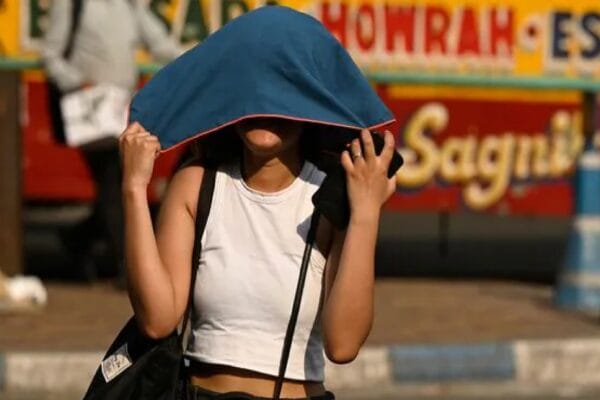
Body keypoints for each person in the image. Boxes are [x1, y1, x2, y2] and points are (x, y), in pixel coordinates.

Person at [120, 6, 398, 400]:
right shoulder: (196, 186)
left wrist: (366, 214)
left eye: (285, 91)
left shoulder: (334, 198)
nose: (266, 109)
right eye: (252, 90)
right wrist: (133, 189)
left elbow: (343, 344)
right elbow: (156, 319)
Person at [41, 0, 181, 283]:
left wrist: (201, 56)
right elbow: (50, 55)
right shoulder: (71, 4)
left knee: (116, 184)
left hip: (120, 112)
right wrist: (77, 83)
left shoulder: (128, 5)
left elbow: (159, 43)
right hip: (89, 111)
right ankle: (126, 265)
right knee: (112, 181)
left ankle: (78, 238)